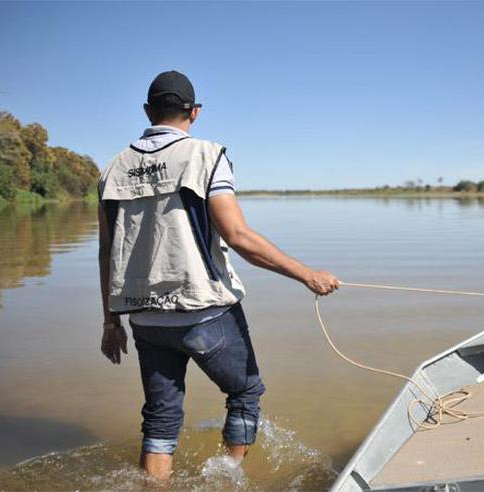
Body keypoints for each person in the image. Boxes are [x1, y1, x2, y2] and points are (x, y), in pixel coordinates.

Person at [96, 70, 340, 481]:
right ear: (194, 112)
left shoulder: (112, 169)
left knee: (159, 419)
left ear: (146, 111)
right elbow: (238, 236)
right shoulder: (206, 155)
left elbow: (106, 253)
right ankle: (226, 479)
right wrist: (307, 275)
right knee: (245, 392)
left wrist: (109, 321)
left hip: (144, 319)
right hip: (204, 311)